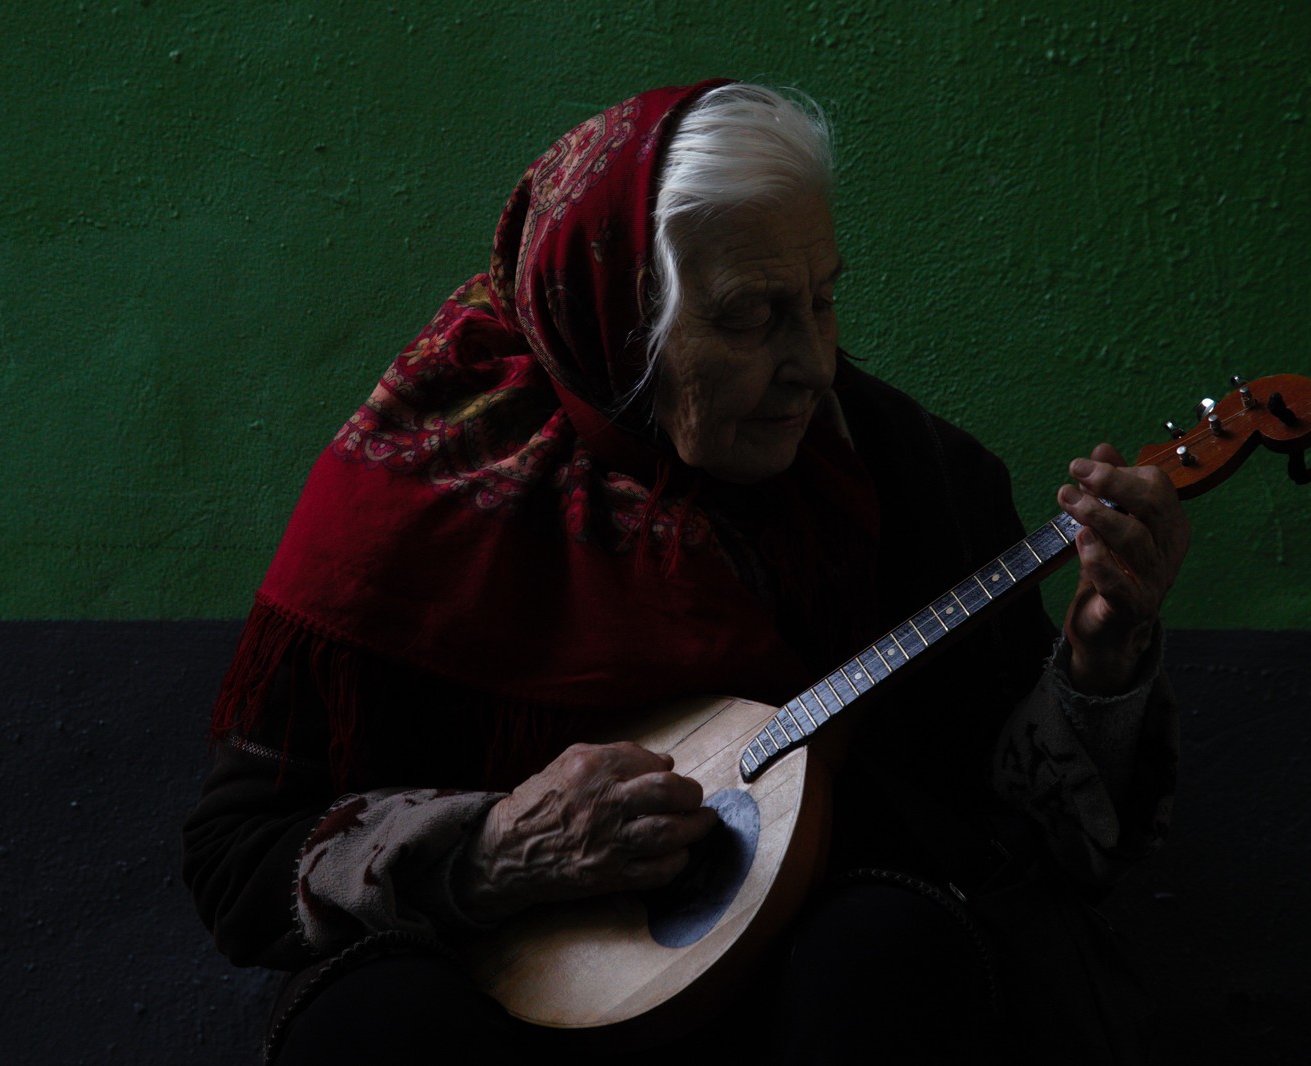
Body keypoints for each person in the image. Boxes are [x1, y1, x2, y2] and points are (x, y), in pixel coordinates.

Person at [183, 80, 1187, 1064]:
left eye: (823, 300)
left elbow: (1044, 847)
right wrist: (491, 852)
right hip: (511, 1007)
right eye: (751, 316)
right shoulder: (419, 487)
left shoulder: (903, 477)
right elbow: (239, 864)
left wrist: (1103, 658)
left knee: (889, 949)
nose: (813, 365)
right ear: (622, 318)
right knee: (372, 1025)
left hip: (785, 999)